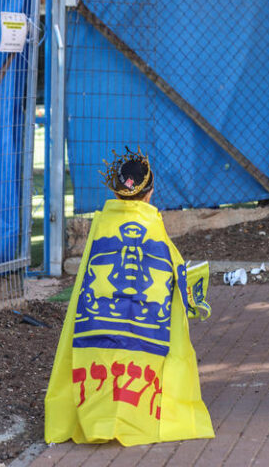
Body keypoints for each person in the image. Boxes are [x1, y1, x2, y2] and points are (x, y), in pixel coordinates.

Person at [44, 147, 214, 446]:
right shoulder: (154, 229)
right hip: (144, 323)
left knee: (105, 349)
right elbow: (173, 274)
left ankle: (97, 412)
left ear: (116, 190)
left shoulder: (101, 227)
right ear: (150, 192)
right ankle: (136, 415)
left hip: (100, 322)